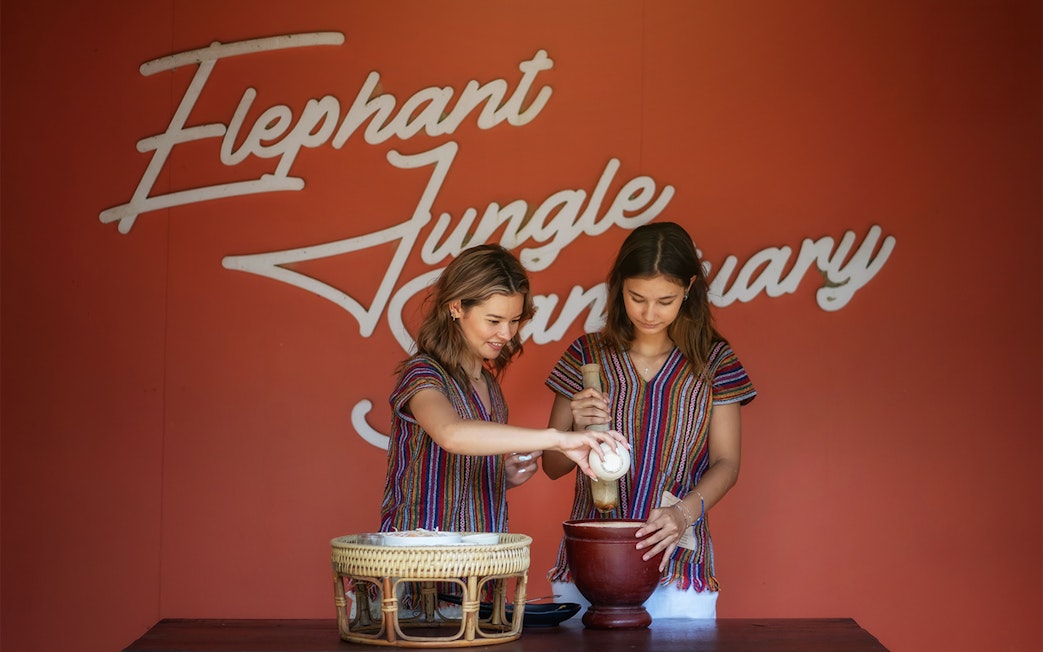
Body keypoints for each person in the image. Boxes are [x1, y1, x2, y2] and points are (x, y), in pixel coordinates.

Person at [541, 222, 757, 619]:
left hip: (677, 570)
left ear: (689, 288)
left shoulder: (714, 361)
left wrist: (682, 513)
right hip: (590, 568)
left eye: (666, 300)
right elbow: (551, 465)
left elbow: (727, 463)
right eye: (637, 297)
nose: (650, 313)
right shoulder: (586, 356)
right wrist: (572, 427)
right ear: (619, 286)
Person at [379, 243, 627, 537]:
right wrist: (557, 439)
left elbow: (463, 471)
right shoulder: (423, 373)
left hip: (483, 569)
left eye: (514, 321)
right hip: (418, 571)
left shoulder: (489, 386)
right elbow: (451, 434)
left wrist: (502, 476)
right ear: (456, 307)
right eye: (494, 321)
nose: (507, 334)